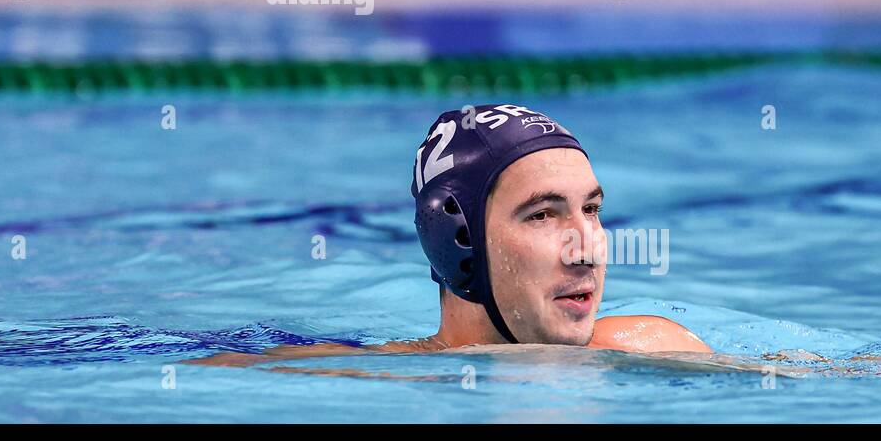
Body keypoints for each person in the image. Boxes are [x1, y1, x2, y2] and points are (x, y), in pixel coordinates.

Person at [196, 103, 710, 367]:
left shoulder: (658, 346)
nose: (587, 249)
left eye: (592, 209)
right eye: (543, 215)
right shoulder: (355, 379)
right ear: (456, 239)